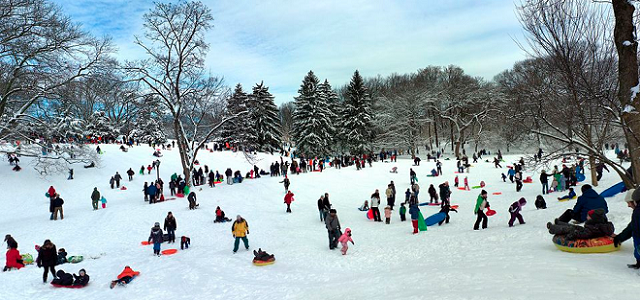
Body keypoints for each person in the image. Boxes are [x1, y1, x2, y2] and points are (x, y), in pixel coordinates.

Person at [612, 189, 640, 269]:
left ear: (634, 201)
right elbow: (631, 228)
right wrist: (619, 238)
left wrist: (618, 238)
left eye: (629, 202)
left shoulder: (637, 212)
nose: (628, 205)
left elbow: (631, 228)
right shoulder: (637, 212)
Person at [547, 208, 614, 240]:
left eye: (588, 216)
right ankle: (559, 223)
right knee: (575, 226)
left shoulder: (594, 227)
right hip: (586, 230)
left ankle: (553, 228)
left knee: (569, 229)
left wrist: (572, 235)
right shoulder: (605, 224)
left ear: (593, 218)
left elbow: (585, 235)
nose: (587, 217)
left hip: (583, 233)